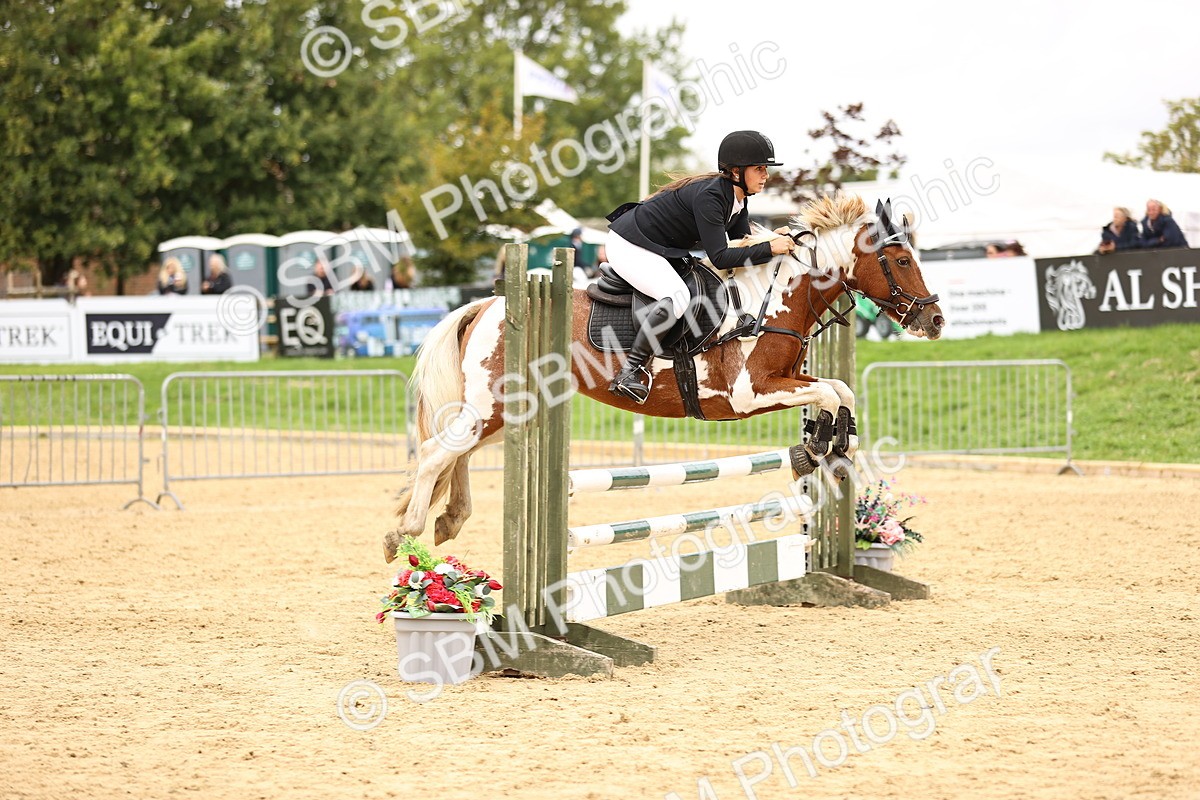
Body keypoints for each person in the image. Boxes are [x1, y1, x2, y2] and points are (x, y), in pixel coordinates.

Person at [604, 130, 795, 403]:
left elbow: (742, 243)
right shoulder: (712, 197)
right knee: (676, 298)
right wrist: (769, 248)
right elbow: (720, 257)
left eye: (765, 169)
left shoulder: (738, 199)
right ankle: (629, 372)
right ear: (736, 171)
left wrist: (772, 239)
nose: (765, 175)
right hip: (630, 245)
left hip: (658, 247)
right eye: (760, 168)